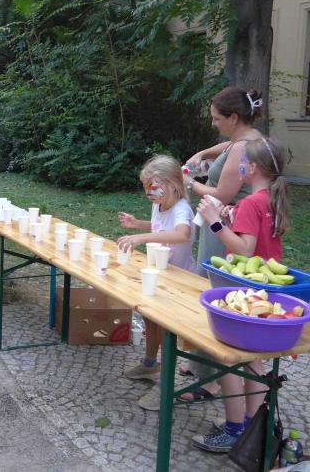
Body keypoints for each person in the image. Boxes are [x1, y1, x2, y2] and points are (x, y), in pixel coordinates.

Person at [191, 137, 290, 453]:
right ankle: (251, 426)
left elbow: (245, 249)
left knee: (228, 357)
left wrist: (215, 222)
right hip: (264, 292)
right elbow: (259, 238)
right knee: (253, 360)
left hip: (243, 293)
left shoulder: (252, 202)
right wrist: (232, 215)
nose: (240, 166)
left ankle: (234, 430)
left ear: (254, 168)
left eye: (243, 162)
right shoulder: (271, 198)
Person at [116, 155, 196, 410]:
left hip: (180, 281)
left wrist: (141, 237)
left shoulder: (182, 208)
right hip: (160, 275)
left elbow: (181, 233)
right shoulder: (160, 204)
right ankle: (150, 365)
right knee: (150, 319)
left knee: (168, 333)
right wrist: (137, 224)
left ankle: (165, 387)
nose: (148, 192)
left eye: (153, 185)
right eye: (145, 186)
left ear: (173, 183)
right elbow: (159, 226)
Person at [185, 87, 265, 274]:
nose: (213, 123)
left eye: (217, 118)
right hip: (228, 221)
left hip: (226, 225)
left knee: (213, 277)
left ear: (234, 118)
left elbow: (221, 195)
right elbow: (228, 145)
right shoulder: (250, 137)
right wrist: (202, 154)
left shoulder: (241, 148)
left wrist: (188, 181)